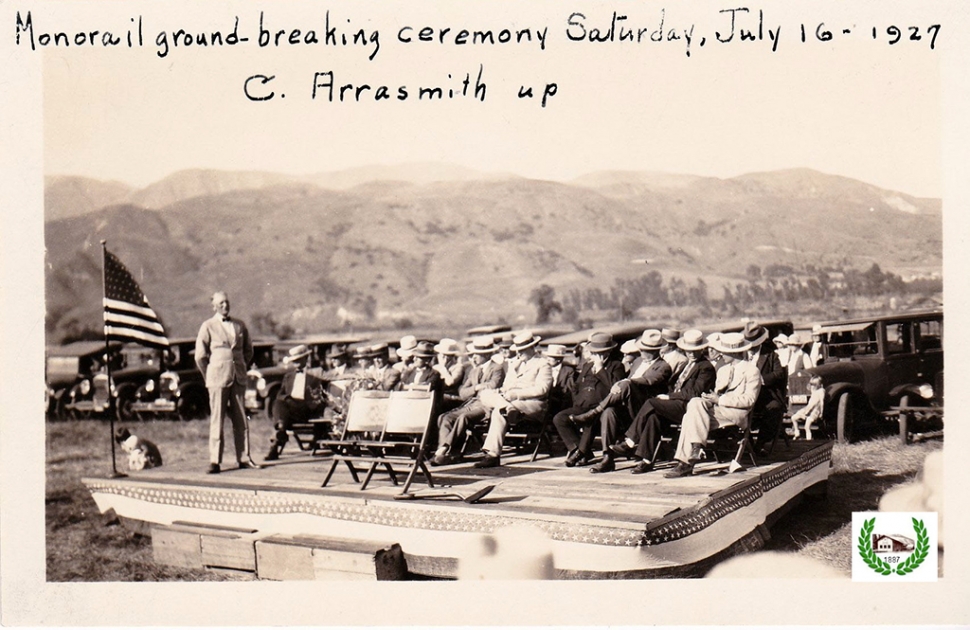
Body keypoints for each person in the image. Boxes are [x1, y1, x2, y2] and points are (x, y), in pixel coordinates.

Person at [609, 329, 716, 474]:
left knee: (651, 403)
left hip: (687, 407)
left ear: (702, 349)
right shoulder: (687, 364)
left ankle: (630, 442)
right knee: (653, 417)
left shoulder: (706, 367)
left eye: (695, 350)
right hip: (676, 404)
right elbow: (674, 384)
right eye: (688, 350)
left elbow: (695, 392)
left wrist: (669, 397)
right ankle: (646, 460)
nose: (691, 353)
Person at [665, 332, 762, 478]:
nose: (720, 354)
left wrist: (719, 400)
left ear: (734, 353)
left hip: (735, 414)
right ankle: (695, 450)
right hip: (716, 411)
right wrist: (709, 398)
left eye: (723, 352)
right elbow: (716, 394)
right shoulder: (723, 370)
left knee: (689, 416)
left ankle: (685, 463)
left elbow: (749, 400)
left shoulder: (752, 371)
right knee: (695, 403)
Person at [575, 329, 671, 473]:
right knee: (609, 412)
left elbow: (649, 380)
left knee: (626, 384)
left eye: (646, 350)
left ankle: (594, 412)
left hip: (643, 409)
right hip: (626, 407)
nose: (642, 353)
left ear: (656, 351)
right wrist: (620, 384)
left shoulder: (663, 367)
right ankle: (607, 457)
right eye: (641, 349)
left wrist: (625, 382)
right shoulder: (638, 361)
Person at [195, 291, 259, 474]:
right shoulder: (207, 326)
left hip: (238, 377)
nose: (225, 305)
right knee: (217, 419)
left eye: (227, 302)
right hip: (217, 379)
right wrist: (209, 374)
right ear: (214, 306)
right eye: (221, 303)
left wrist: (241, 366)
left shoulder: (240, 325)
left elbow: (248, 350)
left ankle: (244, 458)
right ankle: (215, 461)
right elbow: (200, 356)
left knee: (241, 418)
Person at [474, 331, 552, 469]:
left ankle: (493, 455)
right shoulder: (515, 364)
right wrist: (501, 392)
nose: (519, 354)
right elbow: (506, 387)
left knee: (499, 411)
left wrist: (515, 394)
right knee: (485, 394)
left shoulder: (542, 364)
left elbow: (542, 389)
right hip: (511, 401)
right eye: (517, 350)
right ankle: (508, 408)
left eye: (522, 350)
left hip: (533, 403)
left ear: (532, 348)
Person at [552, 333, 626, 468]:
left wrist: (600, 370)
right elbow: (576, 386)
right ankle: (577, 450)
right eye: (594, 352)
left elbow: (615, 387)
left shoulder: (616, 366)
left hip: (600, 407)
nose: (597, 355)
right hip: (582, 405)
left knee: (590, 419)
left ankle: (580, 453)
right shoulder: (587, 366)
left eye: (600, 353)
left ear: (608, 351)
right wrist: (578, 401)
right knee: (559, 418)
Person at [430, 336, 506, 466]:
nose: (474, 357)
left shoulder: (497, 368)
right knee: (445, 417)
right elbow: (462, 392)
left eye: (477, 354)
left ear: (487, 354)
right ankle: (452, 453)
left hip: (486, 406)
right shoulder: (474, 371)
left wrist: (474, 389)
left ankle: (443, 450)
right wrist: (477, 387)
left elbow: (493, 386)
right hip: (471, 404)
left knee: (463, 418)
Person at [265, 345, 327, 461]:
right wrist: (288, 399)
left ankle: (276, 442)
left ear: (306, 358)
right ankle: (281, 431)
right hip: (291, 410)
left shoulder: (315, 374)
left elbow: (319, 395)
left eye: (298, 360)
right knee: (278, 401)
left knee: (280, 403)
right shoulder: (288, 376)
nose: (296, 363)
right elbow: (280, 394)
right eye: (294, 361)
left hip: (307, 409)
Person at [743, 321, 788, 453]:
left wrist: (762, 379)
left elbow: (779, 373)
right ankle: (743, 441)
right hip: (745, 393)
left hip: (766, 395)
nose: (751, 348)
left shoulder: (770, 355)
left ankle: (761, 443)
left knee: (774, 408)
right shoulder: (742, 355)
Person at [433, 338, 467, 412]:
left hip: (452, 398)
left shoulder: (458, 367)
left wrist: (443, 369)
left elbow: (450, 382)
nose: (442, 357)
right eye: (440, 354)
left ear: (451, 356)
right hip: (438, 395)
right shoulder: (436, 367)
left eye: (446, 355)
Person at [544, 343, 577, 417]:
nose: (548, 359)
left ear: (559, 359)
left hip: (559, 401)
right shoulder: (544, 369)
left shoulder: (568, 371)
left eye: (551, 357)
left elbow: (568, 390)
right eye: (547, 357)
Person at [790, 375, 824, 440]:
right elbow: (808, 387)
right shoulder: (813, 390)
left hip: (815, 410)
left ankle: (809, 440)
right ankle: (797, 432)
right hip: (808, 408)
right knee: (793, 418)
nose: (812, 386)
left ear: (819, 385)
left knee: (807, 426)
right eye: (811, 384)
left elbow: (822, 402)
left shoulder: (821, 391)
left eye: (814, 385)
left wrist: (821, 413)